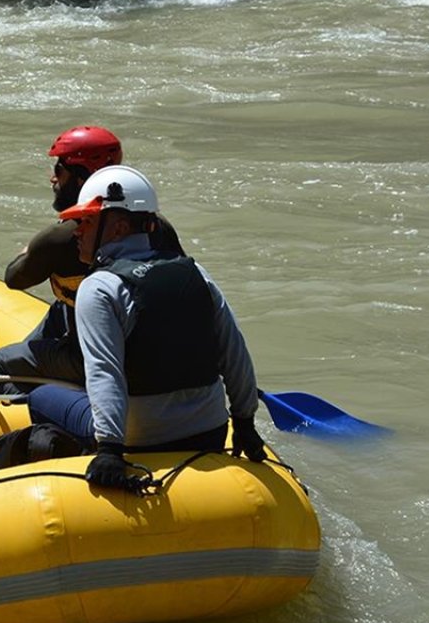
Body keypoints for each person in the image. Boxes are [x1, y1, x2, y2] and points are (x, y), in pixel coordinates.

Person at [26, 165, 266, 489]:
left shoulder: (99, 287)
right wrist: (245, 422)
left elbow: (104, 371)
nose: (76, 231)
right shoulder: (197, 273)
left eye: (86, 222)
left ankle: (69, 475)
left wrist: (110, 449)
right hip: (210, 431)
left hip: (140, 440)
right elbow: (234, 351)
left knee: (41, 398)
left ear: (119, 227)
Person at [0, 126, 184, 390]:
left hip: (91, 356)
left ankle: (30, 407)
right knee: (61, 307)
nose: (53, 179)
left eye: (59, 170)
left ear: (80, 179)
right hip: (143, 351)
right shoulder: (157, 227)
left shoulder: (63, 236)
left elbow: (14, 277)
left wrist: (29, 247)